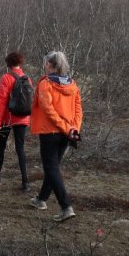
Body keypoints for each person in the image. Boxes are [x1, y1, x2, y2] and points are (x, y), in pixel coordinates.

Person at [29, 51, 82, 222]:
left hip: (50, 132)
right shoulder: (72, 85)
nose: (44, 66)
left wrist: (66, 127)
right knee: (53, 167)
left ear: (50, 65)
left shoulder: (46, 84)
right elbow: (78, 110)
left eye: (46, 63)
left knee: (51, 168)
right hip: (66, 133)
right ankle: (41, 199)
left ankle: (66, 207)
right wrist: (73, 128)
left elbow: (48, 109)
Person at [0, 51, 32, 191]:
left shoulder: (6, 78)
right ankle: (25, 182)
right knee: (20, 149)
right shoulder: (27, 78)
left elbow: (1, 102)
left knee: (1, 147)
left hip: (7, 118)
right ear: (20, 63)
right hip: (23, 118)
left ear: (8, 64)